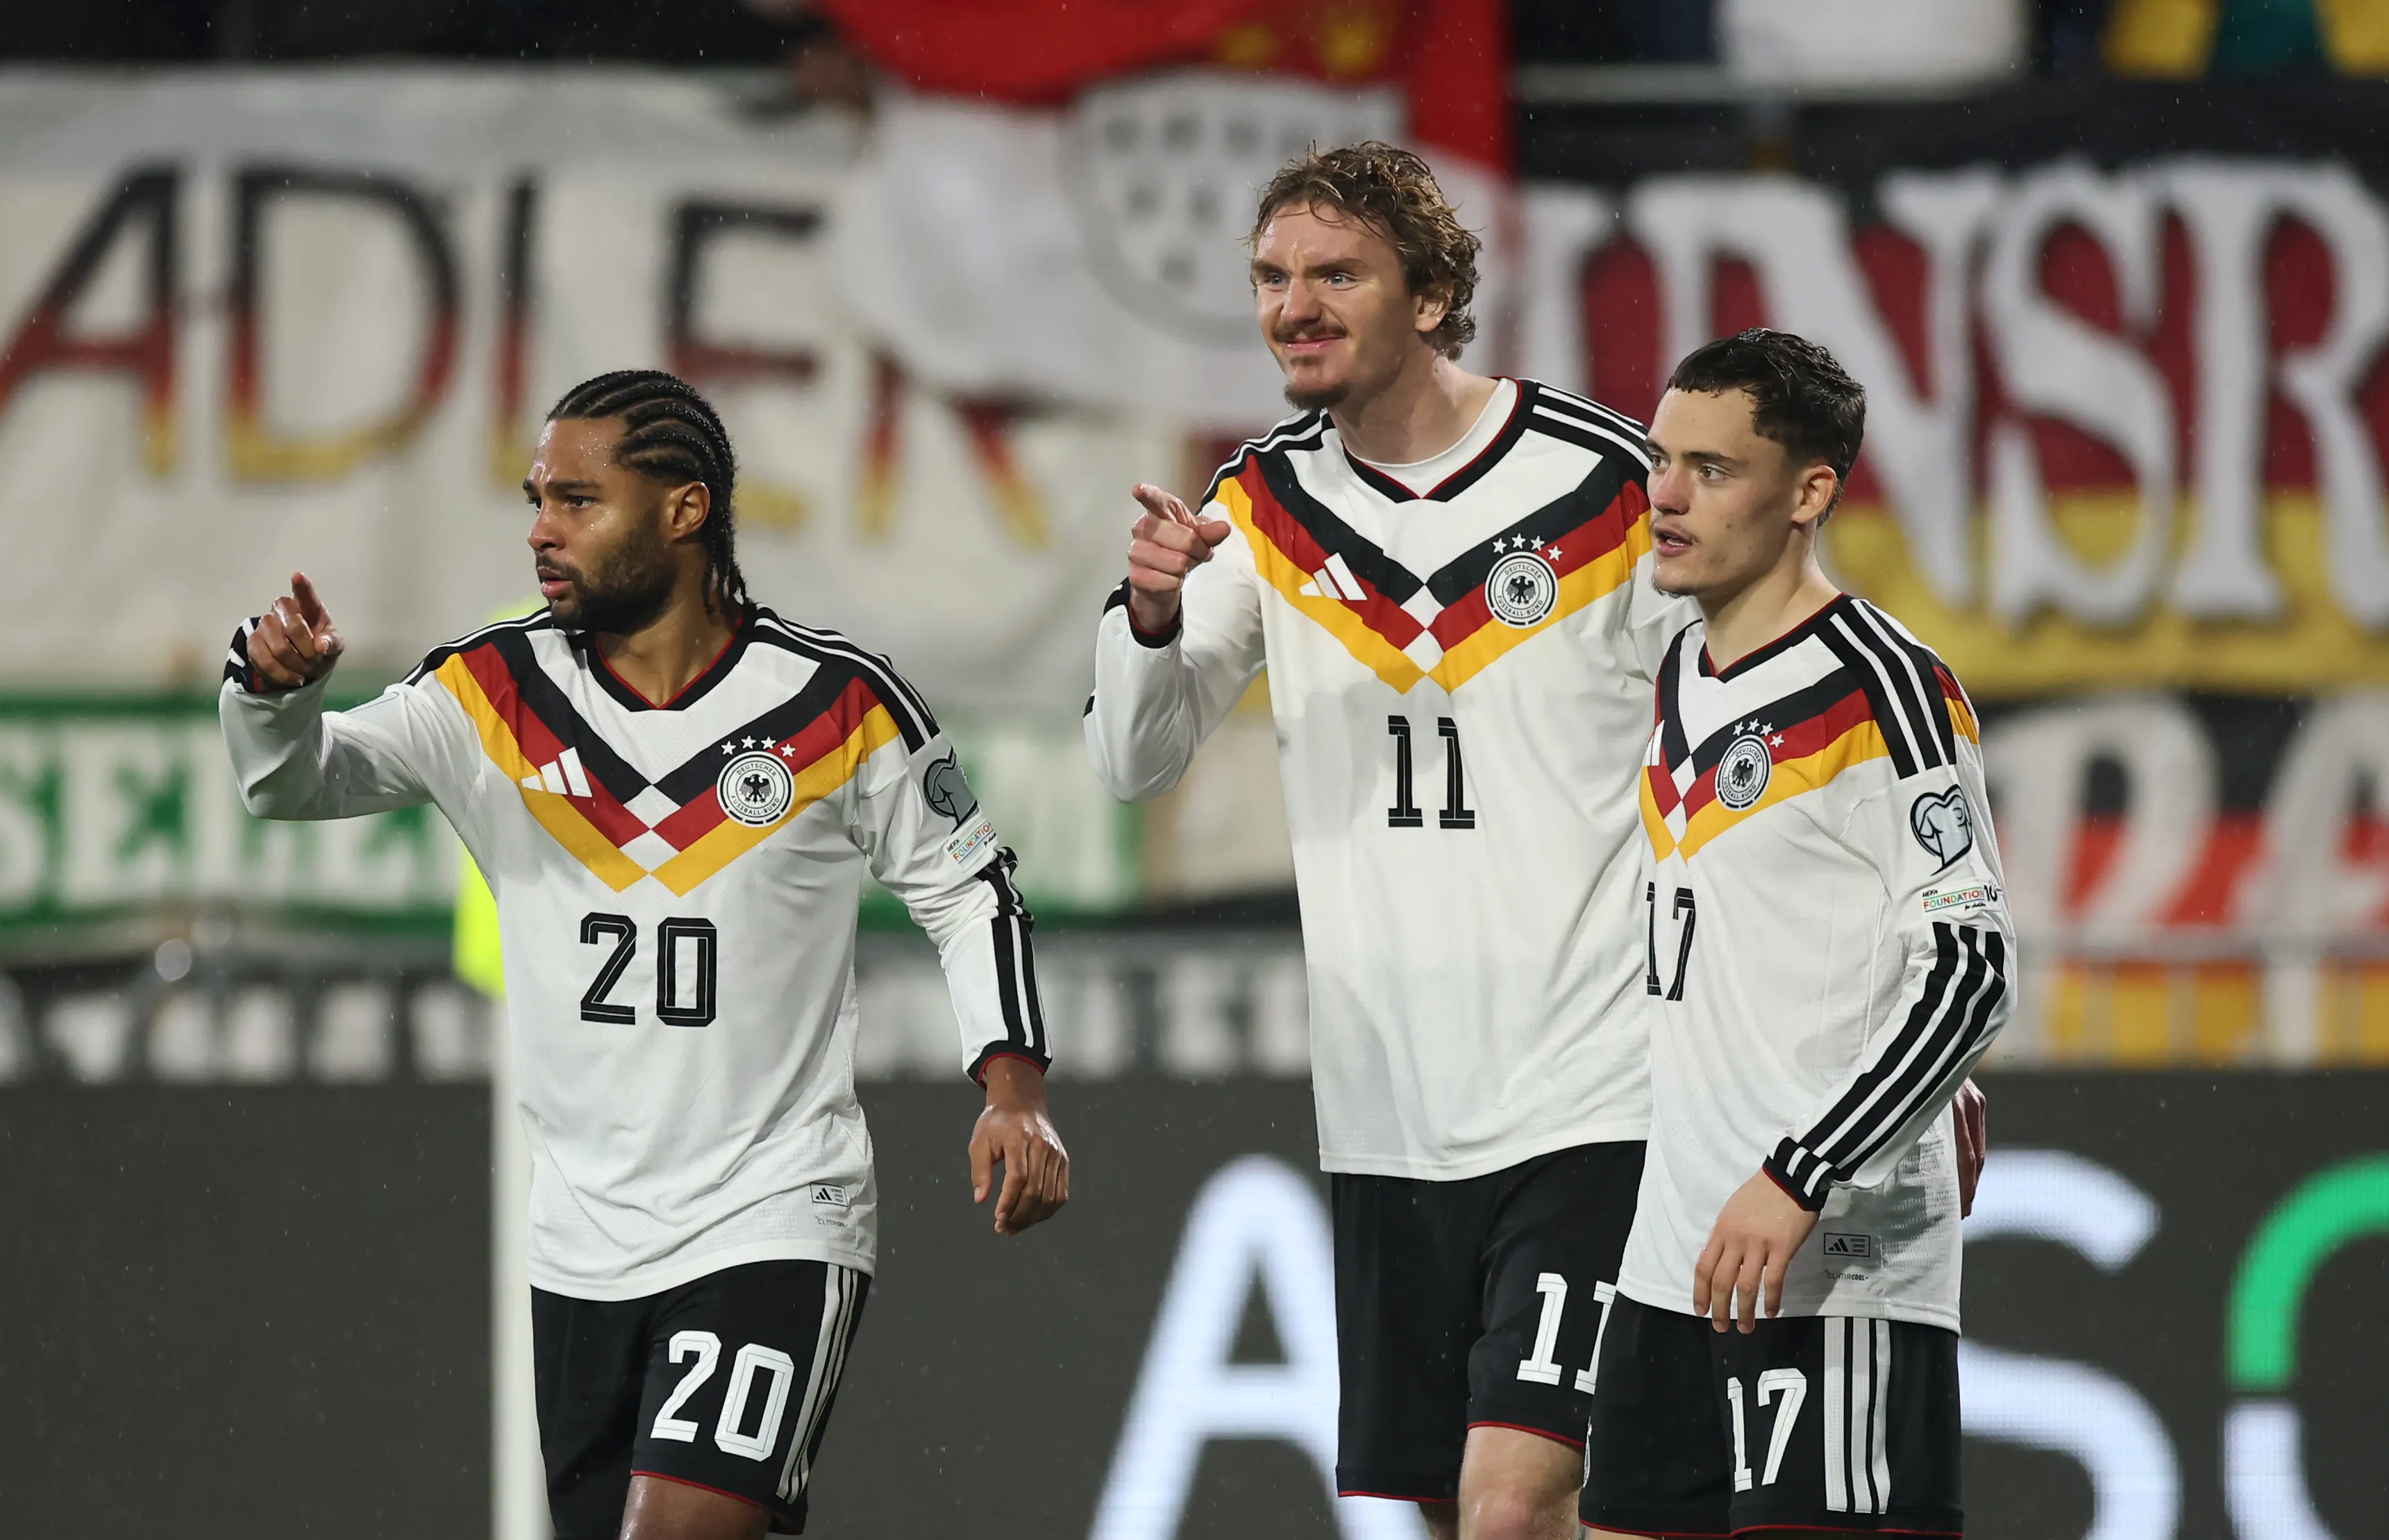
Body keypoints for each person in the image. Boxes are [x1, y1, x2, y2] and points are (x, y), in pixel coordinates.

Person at [221, 369, 1070, 1540]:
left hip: (772, 1214)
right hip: (580, 1243)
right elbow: (292, 782)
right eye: (535, 498)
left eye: (577, 500)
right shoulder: (489, 694)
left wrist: (1013, 1091)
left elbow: (972, 888)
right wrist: (273, 696)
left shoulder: (838, 705)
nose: (539, 530)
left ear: (684, 509)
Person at [1087, 140, 1679, 1540]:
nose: (1293, 303)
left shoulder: (1603, 489)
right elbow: (1133, 757)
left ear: (1429, 295)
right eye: (1271, 277)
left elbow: (1757, 708)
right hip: (1391, 1111)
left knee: (1512, 1498)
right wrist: (1151, 617)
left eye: (1335, 272)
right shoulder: (1262, 509)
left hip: (1597, 1088)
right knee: (1505, 1506)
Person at [1579, 330, 2009, 1539]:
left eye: (1712, 470)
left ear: (1809, 492)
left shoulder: (1889, 689)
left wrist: (1804, 1170)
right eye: (1663, 459)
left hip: (1830, 1267)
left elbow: (1972, 968)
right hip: (1674, 1258)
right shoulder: (1678, 670)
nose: (1665, 494)